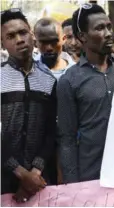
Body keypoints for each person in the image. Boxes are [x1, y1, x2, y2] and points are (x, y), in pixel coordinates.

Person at [57, 3, 114, 184]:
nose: (108, 33)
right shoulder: (69, 81)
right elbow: (67, 140)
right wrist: (73, 185)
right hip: (92, 178)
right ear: (82, 37)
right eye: (100, 28)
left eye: (109, 27)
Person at [1, 9, 57, 202]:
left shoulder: (49, 80)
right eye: (10, 36)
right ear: (2, 43)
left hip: (39, 182)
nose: (19, 39)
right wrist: (20, 173)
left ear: (32, 35)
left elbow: (51, 132)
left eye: (23, 32)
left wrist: (35, 171)